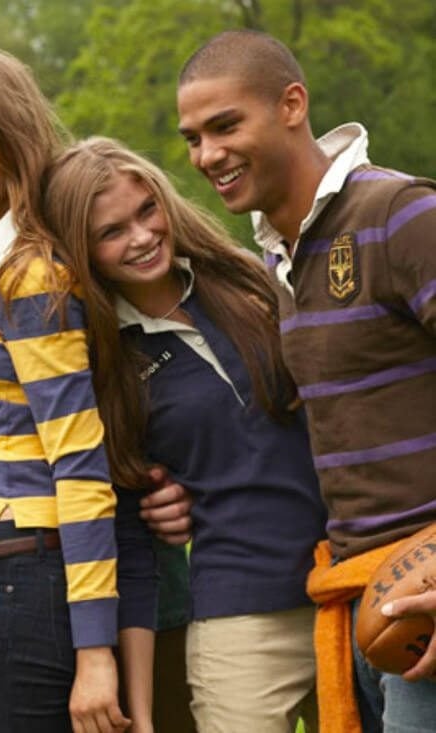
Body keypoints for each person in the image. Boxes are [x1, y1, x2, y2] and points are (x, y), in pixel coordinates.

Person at [177, 29, 436, 731]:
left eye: (226, 125)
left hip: (426, 594)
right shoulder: (276, 268)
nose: (207, 155)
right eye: (194, 138)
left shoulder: (401, 213)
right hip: (359, 598)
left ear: (292, 104)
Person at [0, 46, 156, 733]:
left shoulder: (32, 277)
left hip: (33, 578)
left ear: (17, 139)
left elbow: (79, 464)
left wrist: (94, 651)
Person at [42, 136, 325, 732]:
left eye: (147, 211)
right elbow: (131, 532)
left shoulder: (253, 282)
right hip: (239, 615)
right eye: (111, 232)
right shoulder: (102, 364)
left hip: (347, 580)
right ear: (81, 250)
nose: (142, 237)